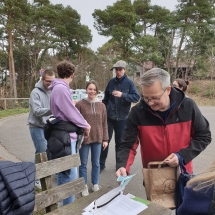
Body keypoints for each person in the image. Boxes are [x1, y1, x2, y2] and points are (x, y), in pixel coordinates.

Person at [116, 68, 211, 179]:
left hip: (183, 173)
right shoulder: (137, 112)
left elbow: (204, 136)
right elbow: (127, 145)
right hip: (154, 176)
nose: (150, 102)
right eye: (146, 98)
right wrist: (122, 166)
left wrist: (182, 156)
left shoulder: (188, 106)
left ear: (168, 90)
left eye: (155, 98)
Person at [48, 60, 90, 205]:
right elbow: (70, 112)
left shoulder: (57, 88)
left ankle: (65, 206)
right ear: (72, 75)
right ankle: (67, 208)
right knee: (69, 175)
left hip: (64, 134)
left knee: (67, 173)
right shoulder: (61, 88)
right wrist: (85, 124)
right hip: (65, 136)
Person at [100, 60, 140, 171]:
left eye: (120, 70)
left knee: (120, 143)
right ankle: (101, 164)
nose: (118, 72)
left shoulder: (129, 83)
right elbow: (106, 98)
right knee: (105, 141)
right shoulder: (111, 82)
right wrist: (102, 108)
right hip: (109, 117)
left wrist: (123, 95)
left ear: (124, 70)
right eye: (116, 70)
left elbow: (137, 97)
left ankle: (119, 165)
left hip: (122, 118)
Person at [75, 80, 108, 196]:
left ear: (97, 91)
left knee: (96, 163)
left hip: (98, 138)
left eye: (94, 89)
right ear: (86, 90)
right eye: (90, 89)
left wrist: (105, 139)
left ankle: (95, 184)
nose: (92, 91)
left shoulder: (102, 106)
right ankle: (83, 186)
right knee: (83, 164)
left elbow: (104, 123)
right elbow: (76, 121)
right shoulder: (80, 104)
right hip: (84, 138)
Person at [28, 68, 55, 189]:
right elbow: (37, 111)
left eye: (52, 81)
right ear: (42, 79)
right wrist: (53, 109)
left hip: (48, 126)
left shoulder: (52, 91)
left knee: (44, 151)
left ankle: (35, 175)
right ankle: (36, 179)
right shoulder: (35, 92)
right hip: (36, 126)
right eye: (48, 81)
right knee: (41, 151)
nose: (50, 84)